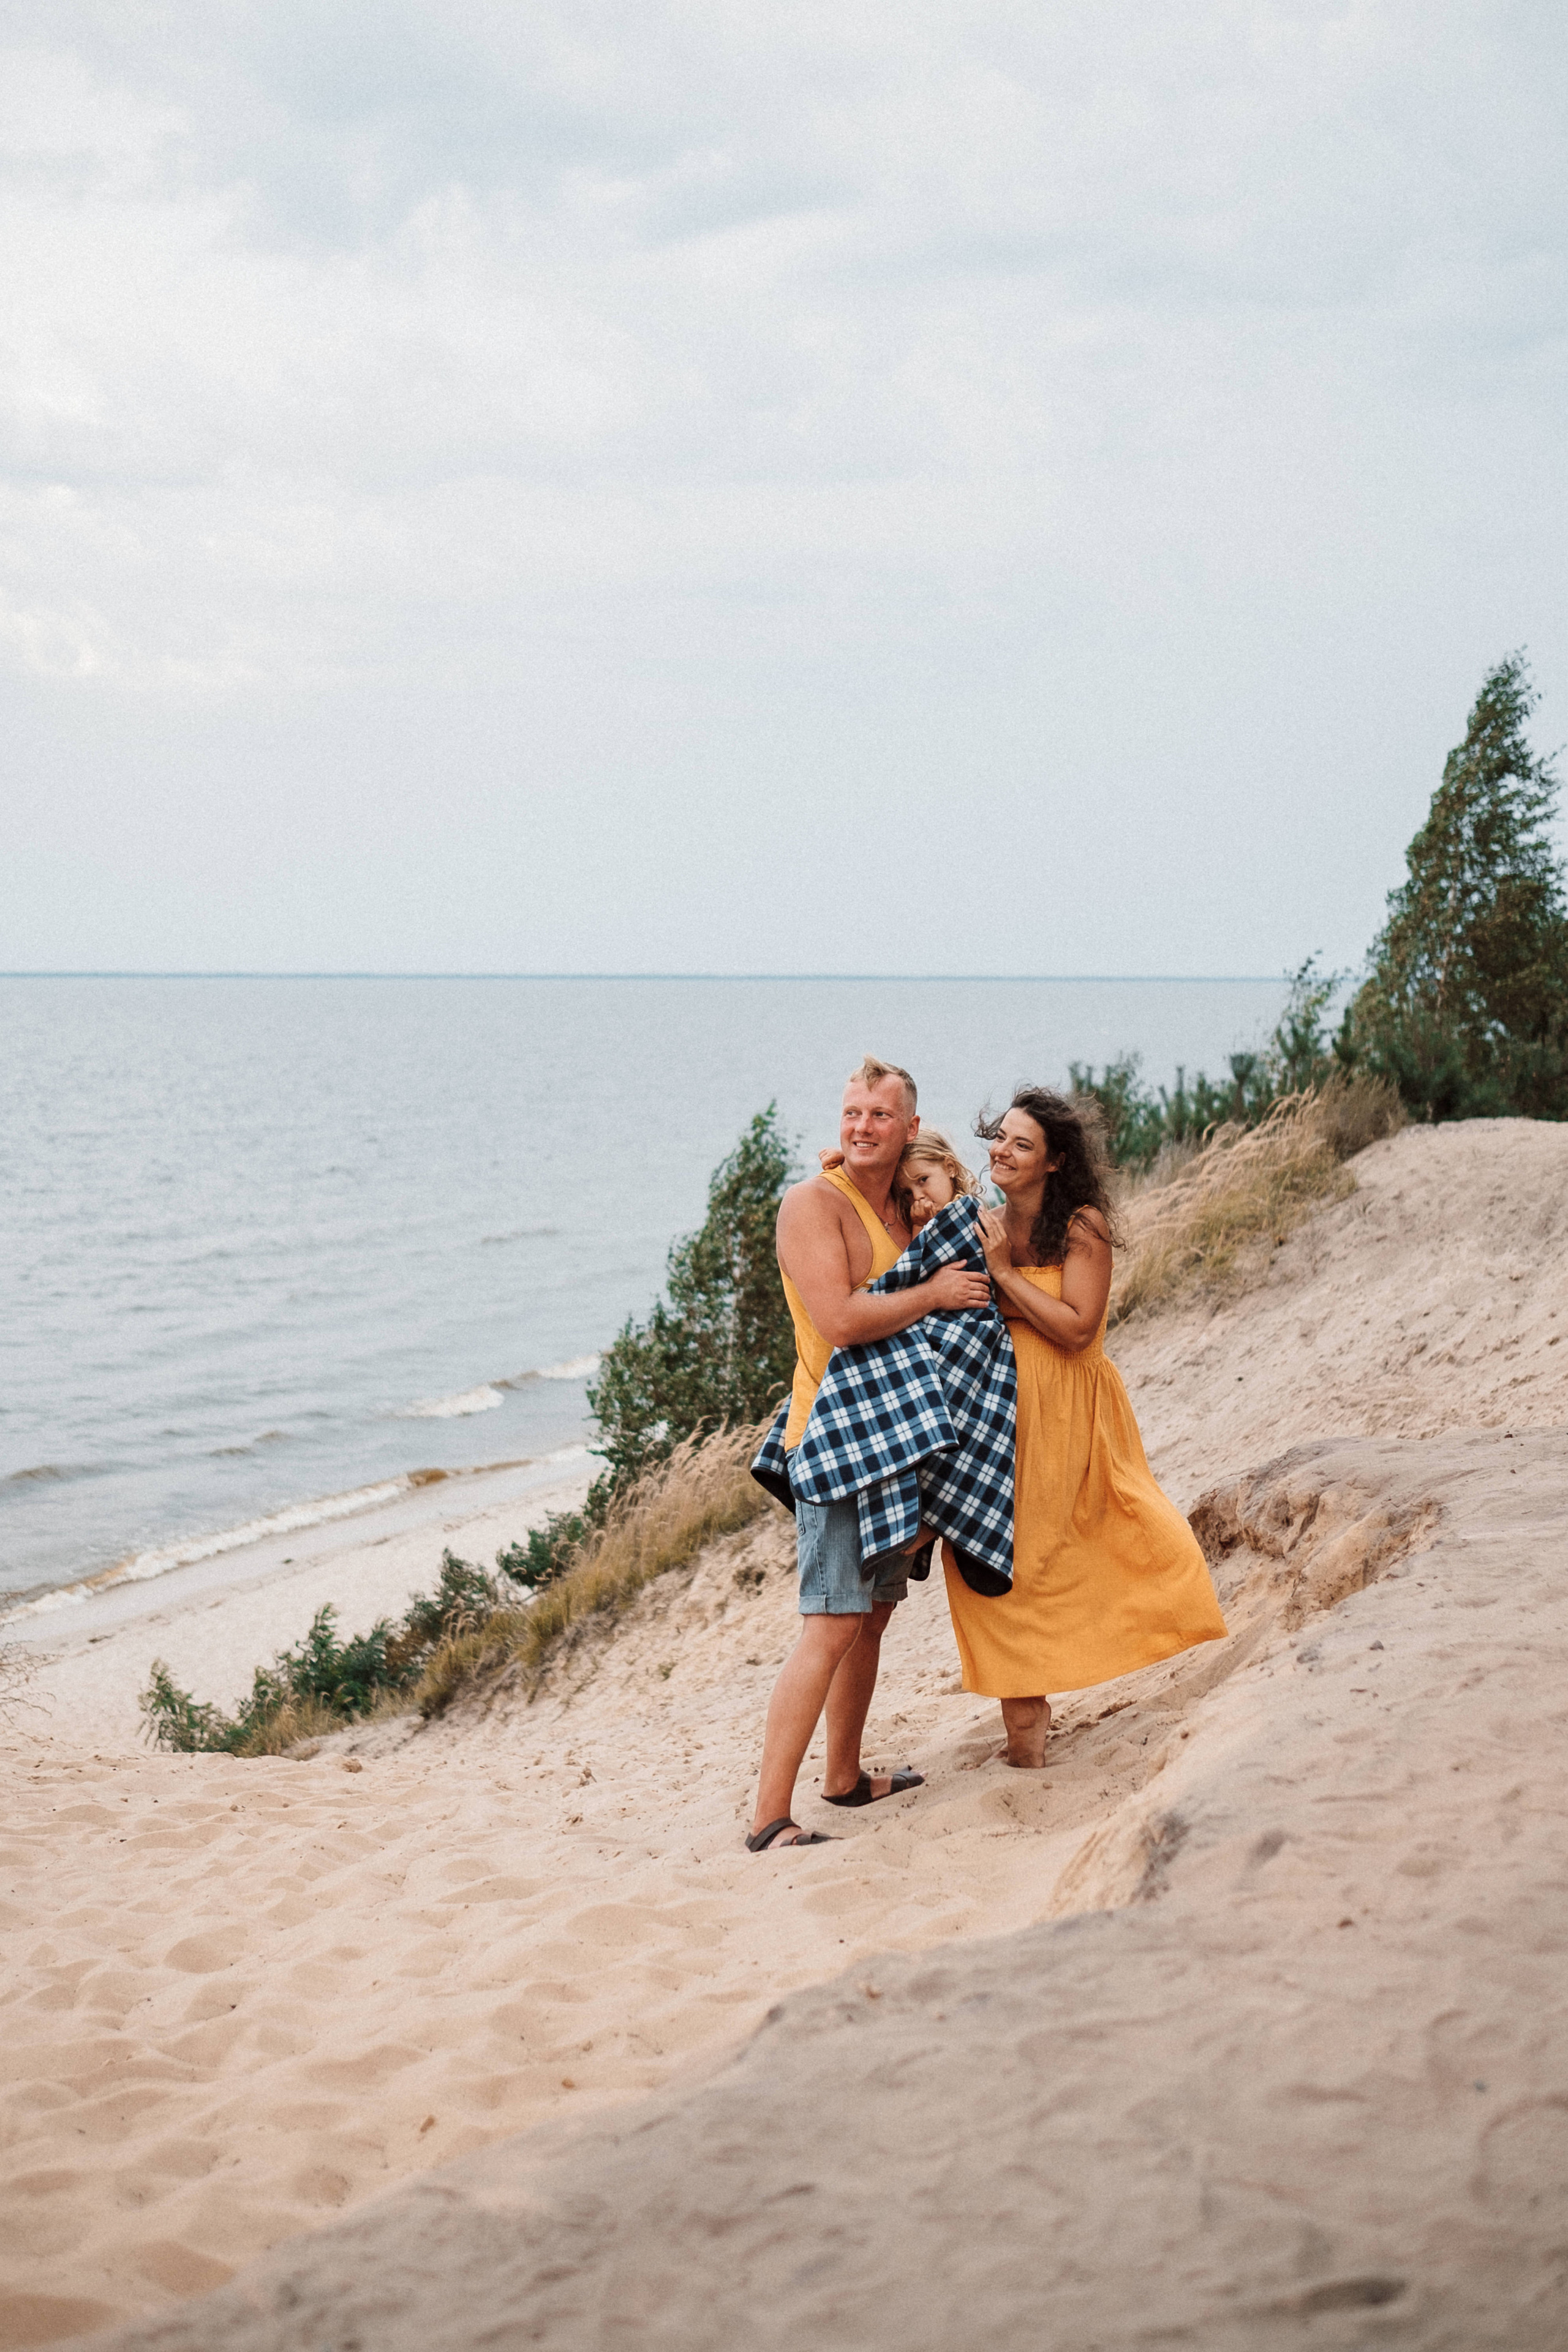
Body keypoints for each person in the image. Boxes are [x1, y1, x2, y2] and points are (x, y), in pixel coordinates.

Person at [747, 1058, 992, 1853]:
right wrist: (934, 1294)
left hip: (900, 1442)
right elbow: (844, 1317)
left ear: (909, 1128)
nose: (861, 1127)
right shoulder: (810, 1205)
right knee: (829, 1623)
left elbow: (968, 1217)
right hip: (833, 1443)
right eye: (852, 1112)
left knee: (875, 1615)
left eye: (880, 1116)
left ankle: (844, 1778)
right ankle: (769, 1819)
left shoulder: (907, 1203)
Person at [949, 1086, 1228, 1767]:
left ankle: (1181, 1642)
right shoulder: (982, 1220)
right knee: (997, 1569)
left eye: (1022, 1144)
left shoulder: (1082, 1225)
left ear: (1053, 1161)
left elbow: (1075, 1330)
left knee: (1119, 1535)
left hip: (1073, 1417)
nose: (1002, 1152)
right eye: (1000, 1137)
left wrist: (1005, 1281)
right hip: (996, 1418)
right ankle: (1024, 1739)